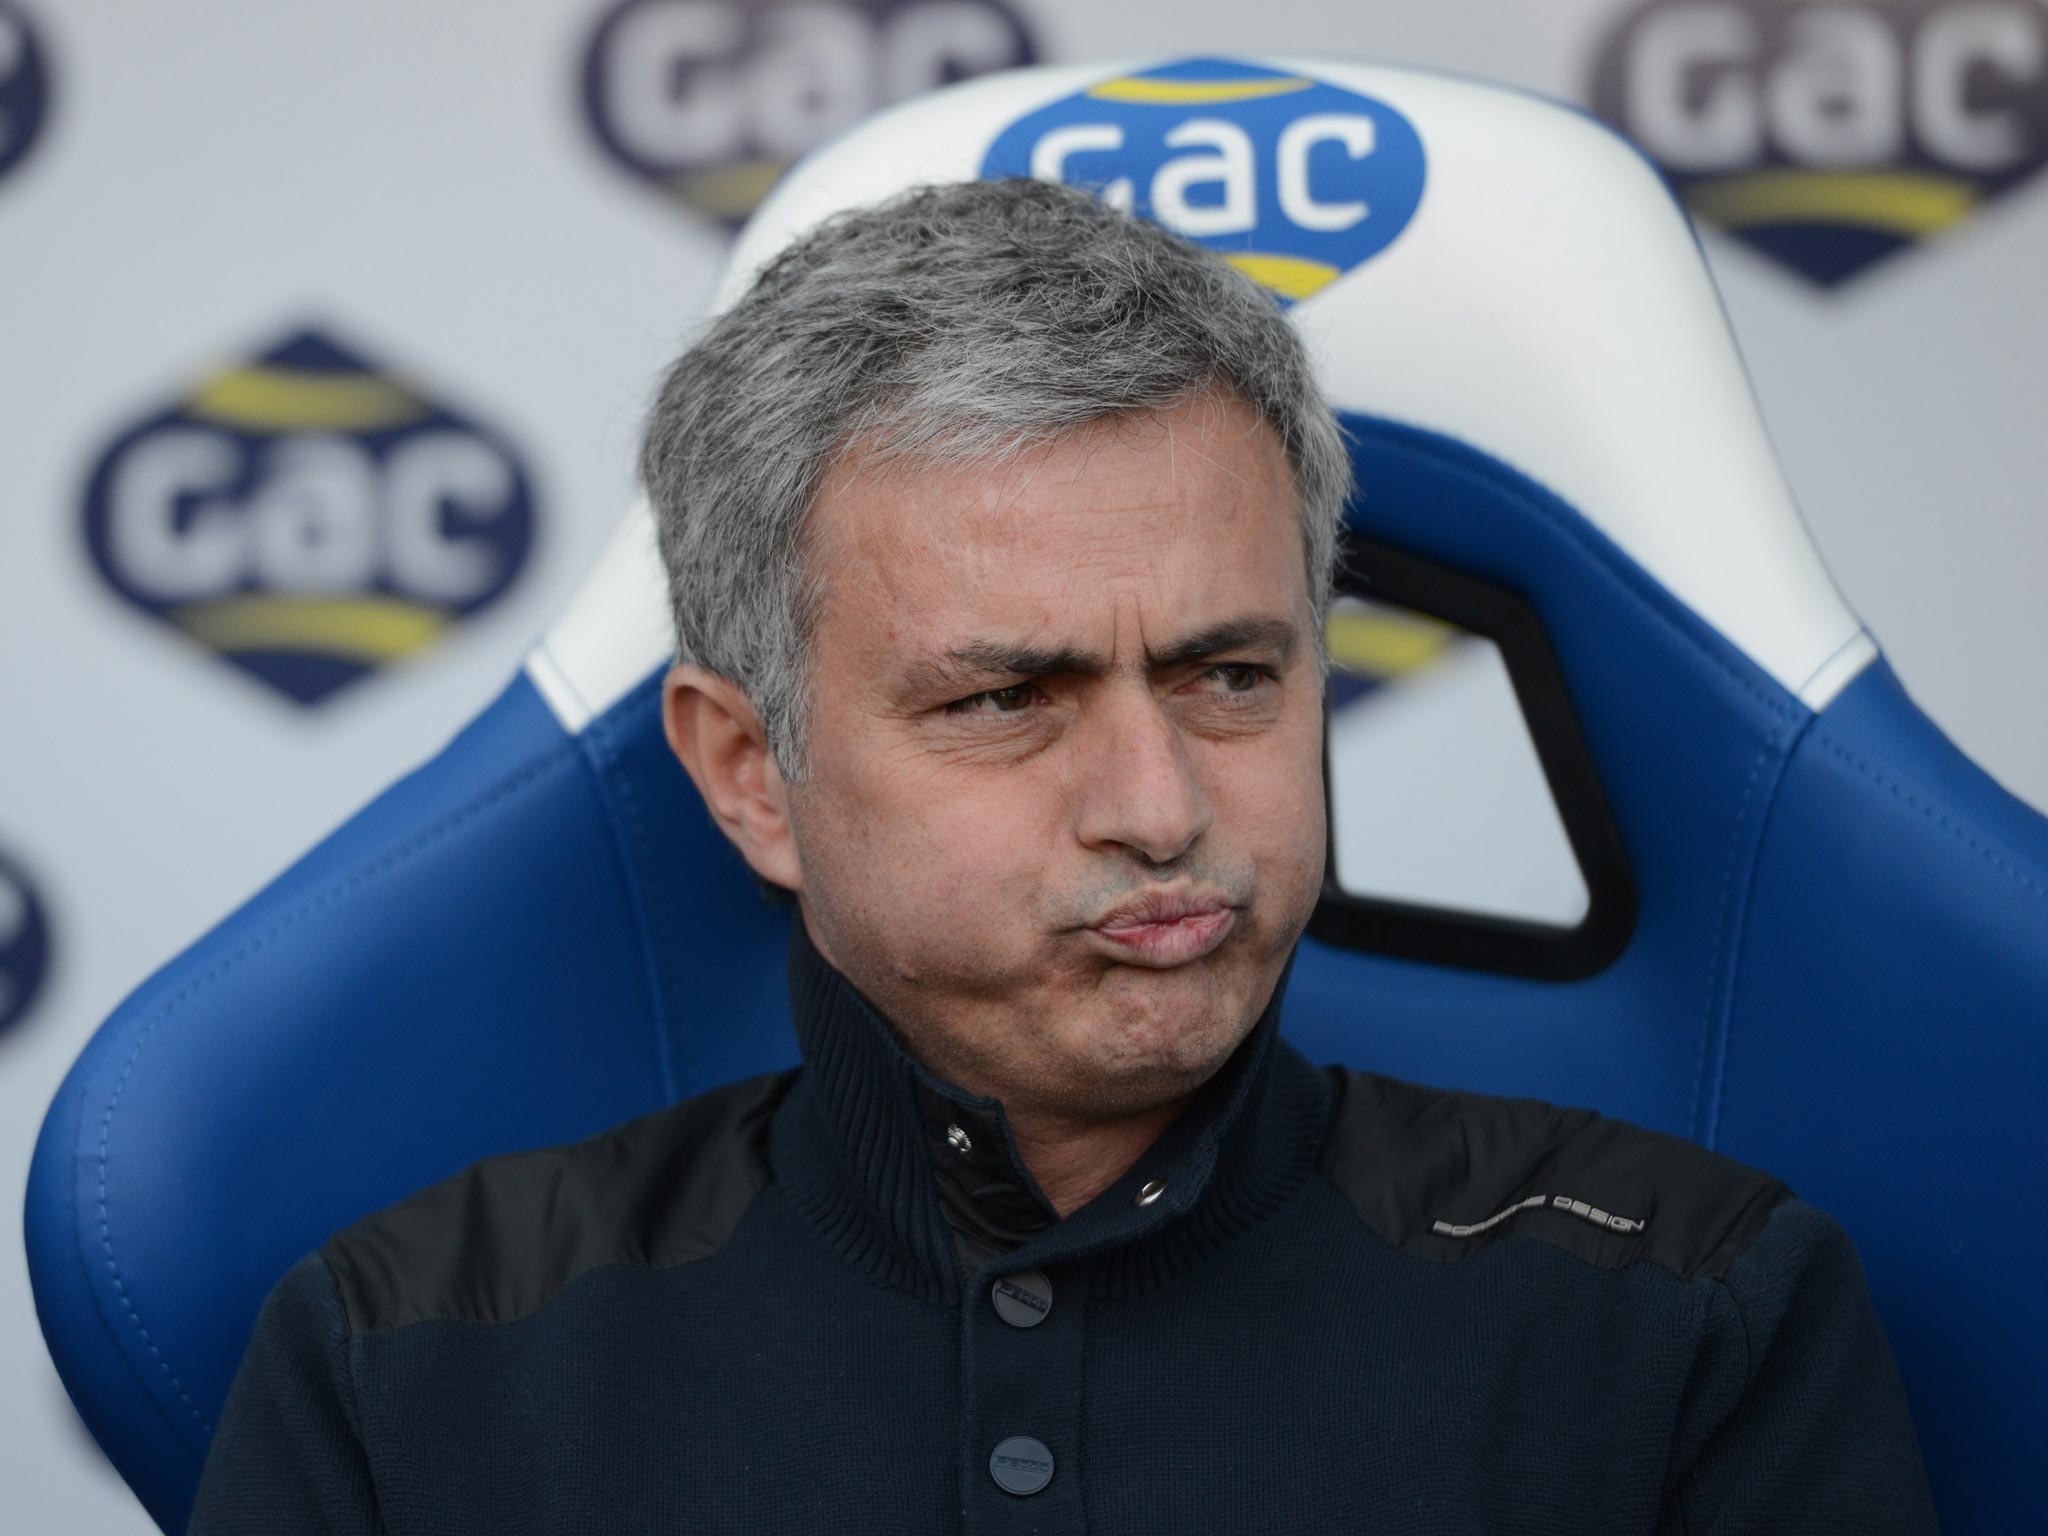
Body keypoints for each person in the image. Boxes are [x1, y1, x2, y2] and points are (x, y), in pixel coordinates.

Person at [187, 176, 1939, 1534]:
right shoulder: (405, 1363)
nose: (1160, 804)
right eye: (1010, 698)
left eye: (1231, 675)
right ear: (749, 773)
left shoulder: (1696, 1315)